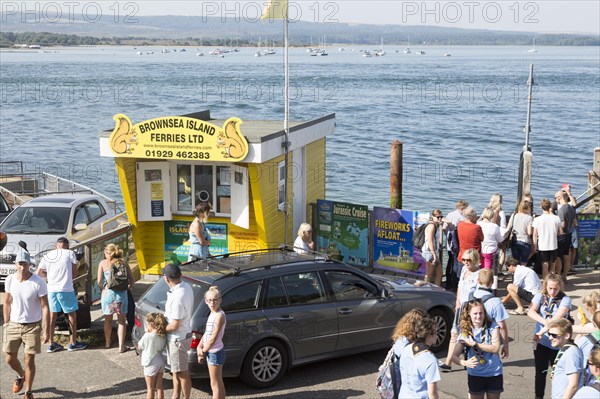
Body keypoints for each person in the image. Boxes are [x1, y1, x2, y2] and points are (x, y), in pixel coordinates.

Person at [3, 251, 50, 399]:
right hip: (14, 324)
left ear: (30, 265)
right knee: (9, 358)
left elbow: (45, 307)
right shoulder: (10, 279)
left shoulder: (38, 282)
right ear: (15, 264)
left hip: (32, 326)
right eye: (20, 264)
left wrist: (46, 330)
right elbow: (6, 302)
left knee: (29, 359)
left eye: (25, 264)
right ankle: (21, 375)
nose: (22, 267)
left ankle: (28, 391)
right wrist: (6, 322)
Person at [36, 237, 87, 352]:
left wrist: (49, 275)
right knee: (71, 315)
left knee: (52, 316)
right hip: (66, 289)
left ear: (56, 245)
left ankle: (52, 343)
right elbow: (75, 273)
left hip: (51, 290)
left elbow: (39, 272)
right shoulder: (70, 253)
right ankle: (73, 342)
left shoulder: (47, 255)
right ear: (67, 246)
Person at [527, 273, 573, 399]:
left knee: (558, 374)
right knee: (540, 373)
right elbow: (531, 312)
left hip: (558, 344)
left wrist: (541, 331)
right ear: (545, 286)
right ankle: (538, 396)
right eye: (550, 288)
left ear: (560, 287)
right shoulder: (540, 296)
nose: (552, 292)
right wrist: (545, 323)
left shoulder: (565, 300)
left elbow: (557, 319)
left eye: (556, 289)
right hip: (541, 342)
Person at [451, 299, 503, 399]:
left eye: (481, 313)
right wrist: (464, 363)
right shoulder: (465, 331)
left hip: (494, 372)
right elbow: (453, 356)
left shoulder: (492, 326)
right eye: (475, 313)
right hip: (475, 374)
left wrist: (475, 344)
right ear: (469, 314)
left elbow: (495, 348)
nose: (479, 316)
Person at [440, 248, 481, 372]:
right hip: (461, 307)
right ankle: (448, 363)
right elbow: (459, 287)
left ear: (475, 260)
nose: (465, 262)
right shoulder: (463, 270)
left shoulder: (479, 274)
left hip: (471, 309)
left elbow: (479, 294)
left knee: (467, 336)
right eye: (463, 259)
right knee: (454, 334)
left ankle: (467, 360)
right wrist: (457, 301)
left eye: (468, 260)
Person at [163, 263, 194, 399]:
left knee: (182, 373)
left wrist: (159, 329)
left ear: (167, 278)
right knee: (175, 371)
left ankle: (185, 397)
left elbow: (175, 324)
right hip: (180, 337)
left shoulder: (178, 298)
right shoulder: (186, 286)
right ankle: (176, 396)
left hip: (177, 339)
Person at [97, 243, 135, 352]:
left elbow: (99, 281)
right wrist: (128, 288)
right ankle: (121, 346)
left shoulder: (103, 263)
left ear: (106, 253)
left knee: (108, 320)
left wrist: (103, 289)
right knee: (122, 321)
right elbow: (132, 281)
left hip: (107, 295)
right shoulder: (123, 263)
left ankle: (108, 343)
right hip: (121, 295)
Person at [398, 317, 441, 399]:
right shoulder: (430, 360)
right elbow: (432, 392)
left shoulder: (407, 348)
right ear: (429, 336)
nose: (437, 336)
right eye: (435, 333)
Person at [197, 286, 227, 399]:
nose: (212, 303)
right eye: (209, 300)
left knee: (214, 384)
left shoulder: (219, 316)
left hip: (215, 352)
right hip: (211, 350)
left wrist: (202, 352)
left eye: (215, 300)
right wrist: (200, 345)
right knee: (218, 381)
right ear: (206, 301)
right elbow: (207, 333)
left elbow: (213, 338)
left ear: (220, 300)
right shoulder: (213, 313)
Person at [474, 269, 510, 359]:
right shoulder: (495, 301)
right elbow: (502, 326)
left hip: (472, 336)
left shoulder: (471, 296)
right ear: (492, 282)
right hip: (488, 340)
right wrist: (505, 345)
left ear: (478, 281)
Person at [547, 319, 583, 399]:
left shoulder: (571, 353)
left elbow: (573, 385)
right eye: (549, 334)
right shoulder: (565, 349)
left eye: (554, 335)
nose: (550, 337)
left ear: (566, 335)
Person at [138, 312, 167, 399]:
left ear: (151, 324)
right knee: (159, 386)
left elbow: (140, 346)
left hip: (150, 361)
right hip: (160, 360)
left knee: (150, 388)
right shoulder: (162, 334)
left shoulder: (148, 336)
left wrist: (146, 333)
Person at [532, 198, 563, 279]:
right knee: (552, 264)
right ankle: (552, 280)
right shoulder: (556, 218)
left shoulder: (537, 219)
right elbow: (560, 232)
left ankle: (545, 282)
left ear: (541, 207)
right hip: (553, 245)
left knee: (544, 265)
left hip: (542, 245)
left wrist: (535, 246)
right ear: (550, 206)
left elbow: (534, 234)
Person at [444, 200, 468, 291]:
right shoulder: (461, 217)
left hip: (450, 243)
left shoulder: (450, 214)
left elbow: (444, 228)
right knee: (456, 262)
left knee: (450, 262)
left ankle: (448, 282)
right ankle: (455, 282)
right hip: (457, 243)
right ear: (462, 208)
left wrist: (447, 236)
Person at [555, 191, 577, 281]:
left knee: (558, 256)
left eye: (555, 197)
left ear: (559, 197)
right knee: (566, 255)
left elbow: (562, 224)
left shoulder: (561, 210)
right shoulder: (571, 207)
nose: (555, 199)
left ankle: (559, 275)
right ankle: (565, 276)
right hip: (569, 233)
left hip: (562, 234)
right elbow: (574, 222)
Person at [575, 311, 600, 386]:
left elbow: (575, 348)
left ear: (594, 324)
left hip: (587, 379)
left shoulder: (586, 340)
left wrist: (582, 330)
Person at [422, 209, 446, 286]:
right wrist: (434, 254)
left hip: (432, 251)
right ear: (432, 217)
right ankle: (426, 289)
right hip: (429, 252)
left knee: (438, 272)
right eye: (438, 217)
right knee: (430, 273)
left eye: (441, 217)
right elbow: (430, 241)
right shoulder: (431, 226)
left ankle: (437, 289)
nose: (440, 219)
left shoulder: (435, 225)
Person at [509, 199, 534, 265]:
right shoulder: (529, 218)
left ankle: (515, 274)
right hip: (525, 242)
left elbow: (509, 227)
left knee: (515, 262)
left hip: (515, 241)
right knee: (523, 262)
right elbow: (529, 232)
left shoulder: (514, 215)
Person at [488, 193, 508, 267]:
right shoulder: (501, 212)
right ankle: (498, 269)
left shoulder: (488, 210)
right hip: (498, 233)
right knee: (503, 251)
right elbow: (502, 226)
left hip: (489, 233)